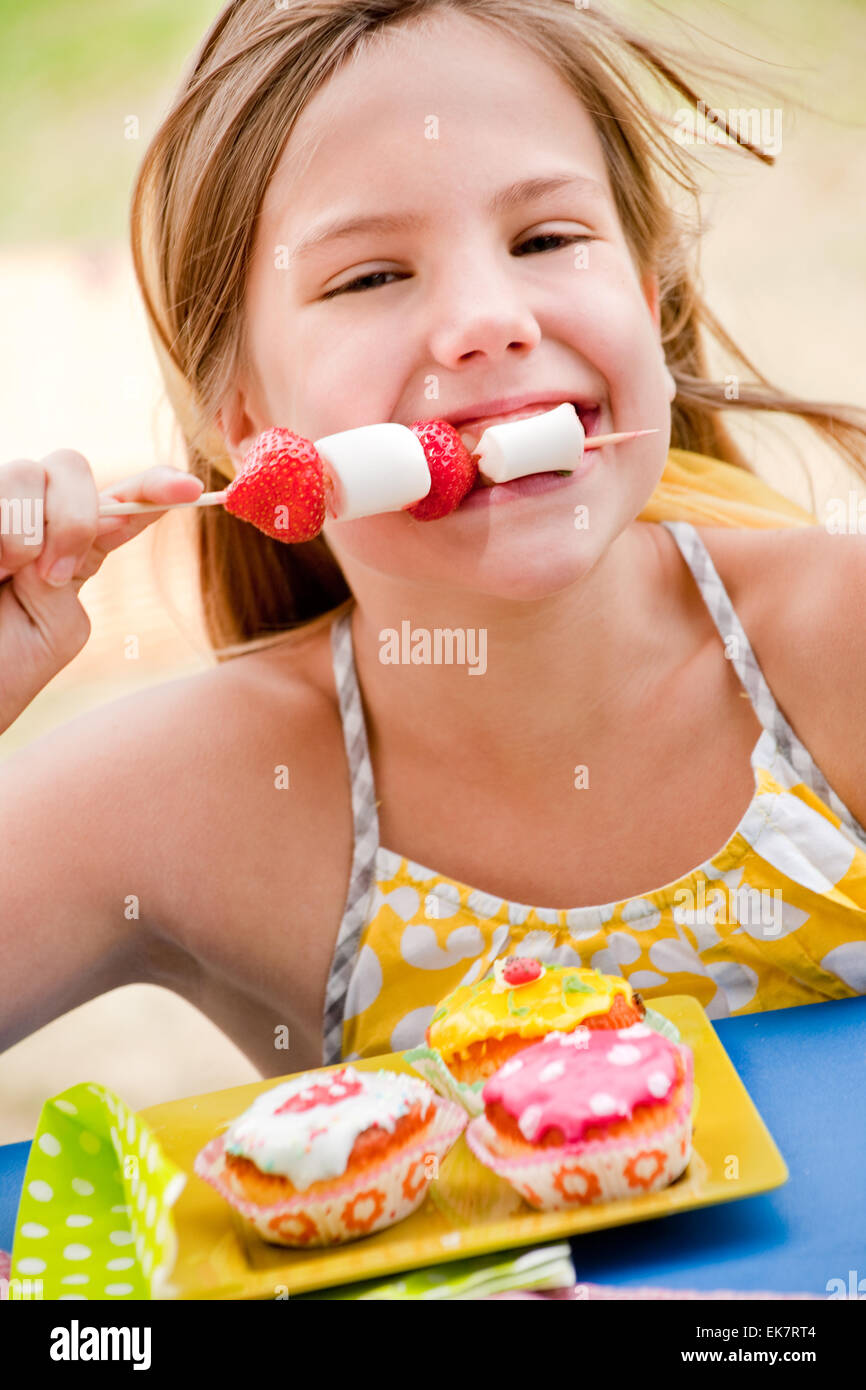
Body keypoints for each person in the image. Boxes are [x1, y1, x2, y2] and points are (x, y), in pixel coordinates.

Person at [2, 0, 866, 1080]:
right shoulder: (196, 791)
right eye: (369, 276)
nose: (486, 319)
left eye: (546, 238)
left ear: (646, 302)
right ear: (246, 427)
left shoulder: (841, 643)